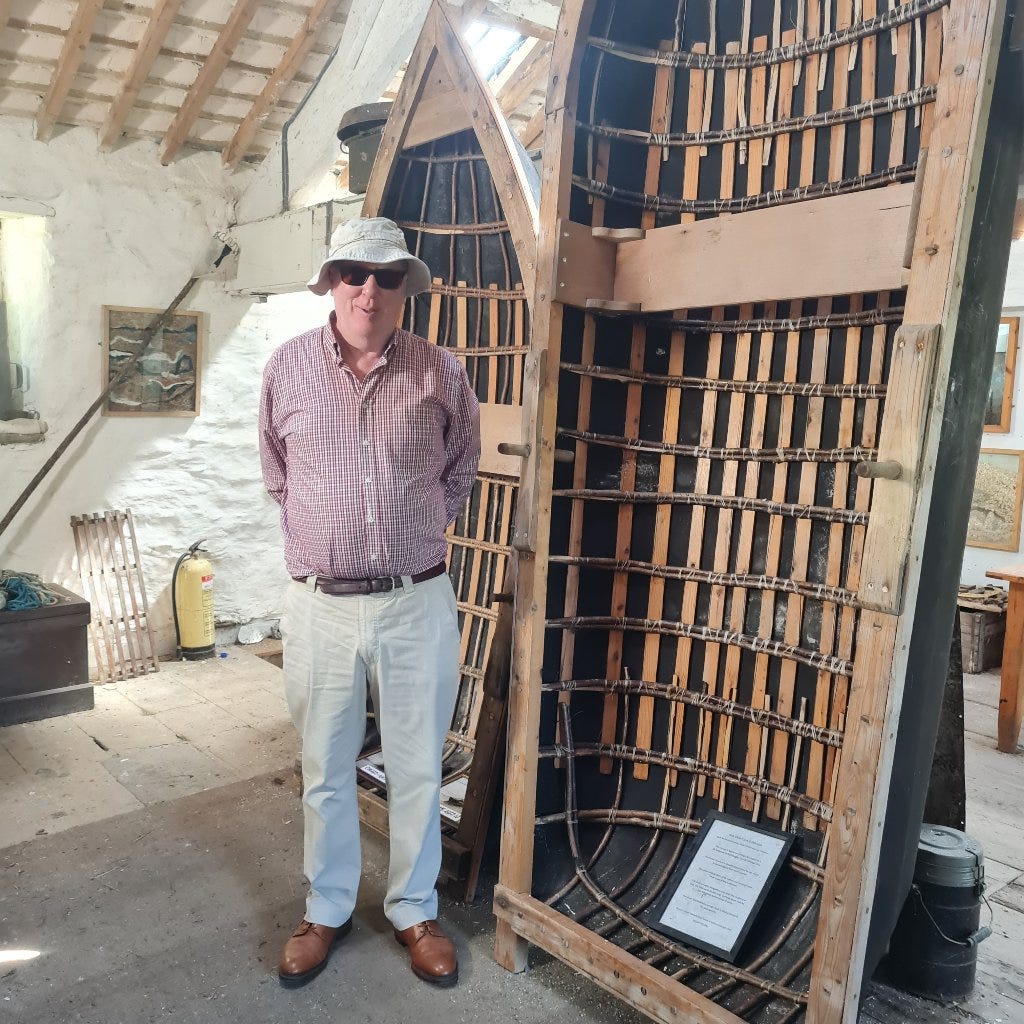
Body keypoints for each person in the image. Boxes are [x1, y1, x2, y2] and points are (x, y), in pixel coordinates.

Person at [259, 217, 480, 990]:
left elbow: (461, 467)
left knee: (417, 766)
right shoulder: (287, 368)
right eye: (354, 273)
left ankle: (414, 908)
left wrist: (415, 526)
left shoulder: (440, 372)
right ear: (331, 282)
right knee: (325, 767)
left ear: (405, 288)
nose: (369, 290)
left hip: (415, 601)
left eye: (387, 277)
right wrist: (324, 538)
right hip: (319, 605)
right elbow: (277, 473)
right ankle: (327, 907)